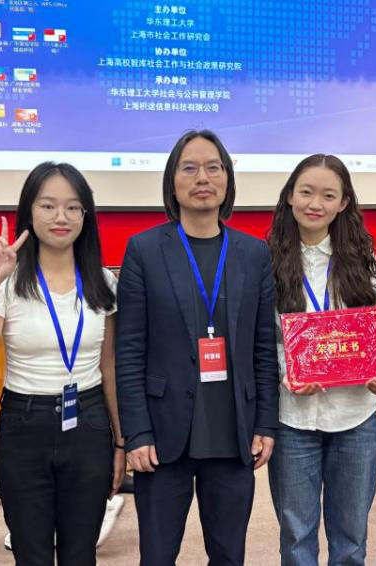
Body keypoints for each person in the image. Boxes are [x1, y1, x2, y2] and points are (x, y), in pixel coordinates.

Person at [115, 129, 278, 566]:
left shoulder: (254, 253)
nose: (202, 177)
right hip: (163, 435)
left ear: (227, 179)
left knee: (228, 556)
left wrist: (266, 423)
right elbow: (128, 351)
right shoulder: (144, 250)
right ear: (172, 182)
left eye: (213, 167)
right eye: (189, 168)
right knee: (157, 556)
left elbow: (264, 348)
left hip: (233, 430)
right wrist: (136, 433)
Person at [0, 161, 125, 565]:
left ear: (86, 215)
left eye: (73, 207)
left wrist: (121, 442)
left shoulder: (104, 283)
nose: (60, 217)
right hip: (24, 425)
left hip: (88, 424)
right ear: (29, 212)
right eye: (48, 206)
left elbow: (110, 369)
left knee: (80, 554)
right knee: (31, 554)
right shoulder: (10, 282)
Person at [267, 154, 376, 565]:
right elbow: (260, 339)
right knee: (296, 540)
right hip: (293, 419)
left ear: (343, 203)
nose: (315, 203)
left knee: (351, 539)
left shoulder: (365, 262)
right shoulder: (266, 262)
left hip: (355, 417)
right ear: (290, 196)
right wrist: (287, 372)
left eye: (328, 195)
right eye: (306, 192)